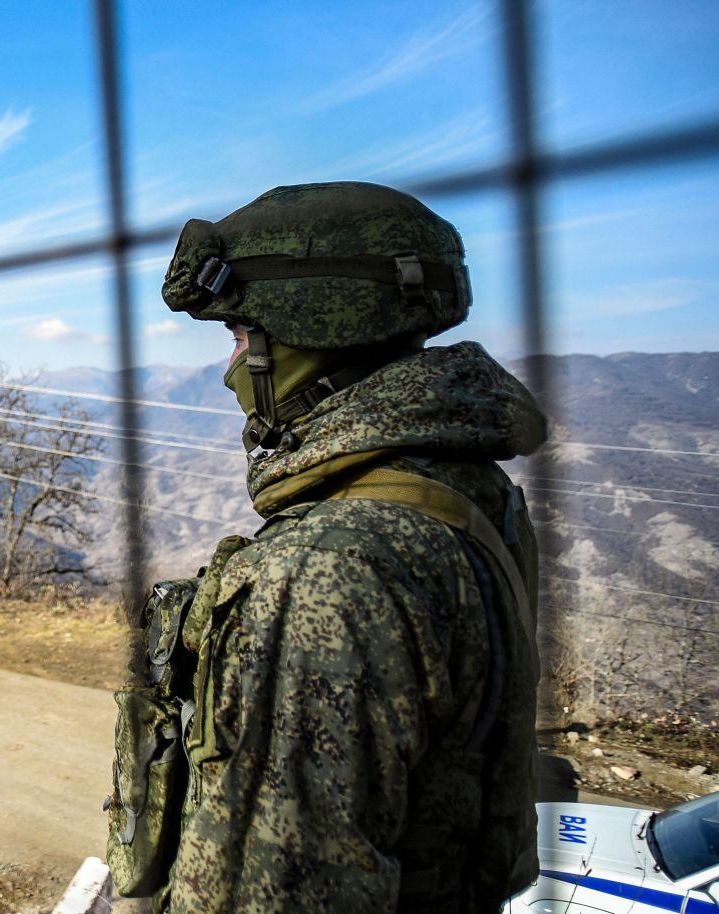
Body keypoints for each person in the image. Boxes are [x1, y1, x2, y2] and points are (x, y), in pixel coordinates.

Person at [112, 182, 545, 913]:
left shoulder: (326, 566)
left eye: (241, 338)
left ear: (309, 332)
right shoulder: (468, 493)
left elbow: (274, 888)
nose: (228, 372)